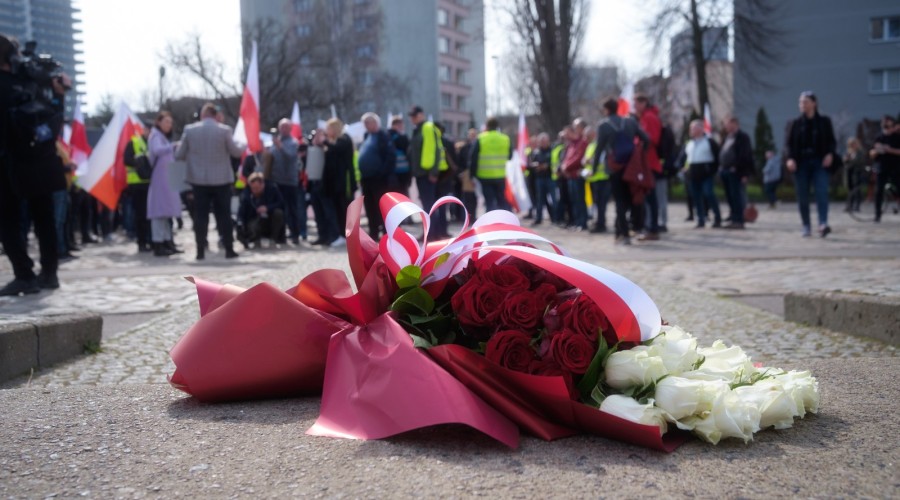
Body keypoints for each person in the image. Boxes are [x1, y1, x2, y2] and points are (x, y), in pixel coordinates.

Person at [0, 34, 70, 295]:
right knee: (45, 219)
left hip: (12, 161)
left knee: (8, 221)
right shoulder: (33, 80)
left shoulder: (10, 83)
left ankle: (24, 274)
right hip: (41, 159)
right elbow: (55, 112)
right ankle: (49, 274)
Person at [175, 102, 244, 260]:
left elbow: (179, 154)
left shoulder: (190, 130)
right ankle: (229, 249)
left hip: (199, 181)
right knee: (224, 216)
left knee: (200, 216)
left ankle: (200, 251)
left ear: (202, 115)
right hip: (221, 181)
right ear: (215, 115)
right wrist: (242, 143)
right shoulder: (224, 130)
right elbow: (236, 152)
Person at [593, 98, 649, 244]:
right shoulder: (630, 122)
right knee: (633, 198)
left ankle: (623, 234)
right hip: (631, 167)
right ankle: (632, 228)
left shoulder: (604, 125)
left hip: (614, 168)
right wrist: (640, 155)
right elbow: (646, 139)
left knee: (620, 201)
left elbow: (599, 149)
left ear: (606, 109)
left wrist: (593, 169)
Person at [784, 91, 837, 238]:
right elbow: (788, 145)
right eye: (801, 102)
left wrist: (829, 154)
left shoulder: (824, 122)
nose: (803, 105)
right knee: (802, 195)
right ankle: (806, 225)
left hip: (820, 162)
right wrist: (790, 159)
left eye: (806, 102)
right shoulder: (795, 124)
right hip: (801, 164)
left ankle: (823, 223)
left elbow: (832, 142)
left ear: (814, 103)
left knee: (821, 192)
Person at [407, 105, 449, 237]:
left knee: (429, 205)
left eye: (415, 115)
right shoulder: (419, 129)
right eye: (412, 116)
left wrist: (433, 172)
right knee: (427, 205)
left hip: (426, 173)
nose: (412, 119)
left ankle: (432, 233)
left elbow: (435, 150)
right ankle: (432, 232)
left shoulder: (427, 128)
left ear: (421, 115)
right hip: (422, 173)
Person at [147, 111, 183, 257]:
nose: (169, 125)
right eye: (166, 122)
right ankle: (159, 244)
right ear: (159, 122)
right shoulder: (156, 136)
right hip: (160, 180)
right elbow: (156, 150)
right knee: (159, 213)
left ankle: (168, 242)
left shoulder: (162, 137)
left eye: (170, 122)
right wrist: (173, 146)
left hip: (166, 180)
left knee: (166, 213)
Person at [678, 119, 722, 229]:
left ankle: (717, 217)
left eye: (693, 128)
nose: (691, 130)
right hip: (693, 173)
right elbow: (683, 158)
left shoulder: (709, 141)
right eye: (691, 128)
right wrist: (682, 167)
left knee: (708, 193)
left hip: (706, 173)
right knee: (696, 197)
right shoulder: (690, 143)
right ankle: (700, 219)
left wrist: (713, 170)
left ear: (701, 128)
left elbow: (718, 157)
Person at [357, 112, 395, 239]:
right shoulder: (366, 135)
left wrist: (382, 173)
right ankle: (373, 231)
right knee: (369, 206)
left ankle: (386, 232)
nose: (365, 125)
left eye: (367, 122)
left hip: (379, 179)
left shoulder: (383, 136)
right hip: (366, 179)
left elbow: (390, 156)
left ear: (375, 123)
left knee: (381, 207)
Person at [322, 117, 355, 247]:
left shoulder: (344, 139)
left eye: (329, 128)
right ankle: (342, 234)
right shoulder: (332, 142)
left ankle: (347, 235)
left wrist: (325, 142)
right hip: (334, 182)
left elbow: (338, 149)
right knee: (338, 210)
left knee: (345, 209)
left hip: (344, 181)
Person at [470, 116, 512, 213]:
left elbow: (473, 158)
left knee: (489, 203)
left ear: (487, 126)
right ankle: (504, 223)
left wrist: (472, 175)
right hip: (500, 176)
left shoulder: (481, 138)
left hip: (485, 176)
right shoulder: (505, 138)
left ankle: (491, 224)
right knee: (501, 201)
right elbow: (510, 156)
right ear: (497, 126)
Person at [634, 95, 662, 239]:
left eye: (636, 103)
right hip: (646, 163)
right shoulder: (646, 117)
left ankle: (652, 228)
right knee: (648, 199)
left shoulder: (649, 117)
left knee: (650, 199)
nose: (634, 106)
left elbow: (651, 139)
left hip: (649, 163)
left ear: (644, 102)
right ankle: (650, 227)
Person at [270, 118, 302, 244]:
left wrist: (280, 147)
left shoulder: (293, 142)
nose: (283, 129)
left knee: (292, 208)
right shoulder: (275, 142)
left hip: (289, 182)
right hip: (277, 181)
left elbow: (290, 157)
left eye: (286, 127)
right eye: (282, 127)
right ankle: (281, 235)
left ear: (290, 128)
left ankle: (295, 234)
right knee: (279, 209)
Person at [719, 117, 755, 229]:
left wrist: (744, 173)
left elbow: (746, 156)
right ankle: (733, 217)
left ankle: (739, 220)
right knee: (730, 197)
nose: (726, 126)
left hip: (736, 172)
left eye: (728, 124)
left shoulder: (742, 137)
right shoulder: (728, 137)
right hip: (725, 171)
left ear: (735, 124)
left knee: (737, 197)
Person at [236, 172, 285, 248]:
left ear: (263, 184)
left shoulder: (272, 188)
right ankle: (255, 239)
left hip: (270, 219)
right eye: (253, 188)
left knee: (278, 213)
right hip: (255, 221)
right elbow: (241, 212)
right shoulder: (246, 194)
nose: (255, 190)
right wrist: (240, 225)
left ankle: (273, 239)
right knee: (252, 225)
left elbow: (281, 203)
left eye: (257, 188)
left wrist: (268, 208)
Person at [122, 127, 151, 252]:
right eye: (147, 130)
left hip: (151, 183)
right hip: (137, 184)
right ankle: (142, 242)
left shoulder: (153, 143)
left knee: (150, 215)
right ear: (143, 130)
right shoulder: (133, 142)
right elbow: (126, 160)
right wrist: (140, 163)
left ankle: (151, 240)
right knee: (140, 215)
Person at [560, 118, 590, 231]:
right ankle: (577, 221)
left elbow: (578, 158)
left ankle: (583, 222)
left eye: (576, 127)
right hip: (570, 175)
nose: (575, 129)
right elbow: (568, 157)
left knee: (579, 199)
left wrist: (566, 166)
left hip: (577, 175)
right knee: (574, 200)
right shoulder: (573, 143)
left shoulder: (583, 142)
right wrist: (564, 166)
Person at [870, 115, 900, 223]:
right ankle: (877, 214)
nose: (886, 128)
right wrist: (877, 151)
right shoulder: (879, 137)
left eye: (888, 125)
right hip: (881, 168)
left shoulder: (897, 137)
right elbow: (871, 153)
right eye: (884, 126)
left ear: (892, 126)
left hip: (895, 168)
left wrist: (889, 149)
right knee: (879, 191)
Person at [529, 133, 557, 226]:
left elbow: (553, 162)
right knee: (540, 200)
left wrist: (546, 166)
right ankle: (538, 218)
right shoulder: (536, 152)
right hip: (539, 179)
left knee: (553, 199)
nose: (543, 143)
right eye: (541, 142)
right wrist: (537, 165)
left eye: (545, 142)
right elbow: (531, 163)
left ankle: (556, 218)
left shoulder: (552, 150)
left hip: (550, 178)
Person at [388, 116, 411, 197]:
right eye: (401, 125)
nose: (402, 127)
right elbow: (408, 154)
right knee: (403, 195)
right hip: (402, 171)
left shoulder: (386, 136)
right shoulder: (401, 137)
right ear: (397, 125)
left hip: (391, 173)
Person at [843, 138, 865, 212]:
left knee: (857, 189)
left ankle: (857, 206)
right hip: (849, 172)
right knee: (850, 189)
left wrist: (850, 160)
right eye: (851, 144)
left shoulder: (860, 152)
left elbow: (859, 161)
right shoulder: (848, 152)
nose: (852, 146)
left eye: (854, 144)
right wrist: (846, 159)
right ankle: (849, 205)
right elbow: (845, 162)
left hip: (857, 173)